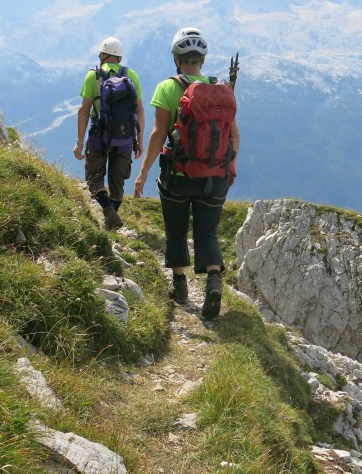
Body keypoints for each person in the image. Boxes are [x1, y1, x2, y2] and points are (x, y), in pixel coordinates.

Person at [133, 28, 240, 319]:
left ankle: (180, 286)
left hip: (178, 176)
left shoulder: (168, 88)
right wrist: (227, 169)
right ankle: (214, 279)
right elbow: (234, 137)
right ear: (202, 61)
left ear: (177, 58)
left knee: (176, 229)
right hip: (215, 178)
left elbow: (158, 134)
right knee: (207, 232)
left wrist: (143, 172)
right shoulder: (221, 91)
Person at [75, 37, 145, 230]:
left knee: (94, 178)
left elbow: (84, 111)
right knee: (118, 182)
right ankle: (111, 221)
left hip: (99, 136)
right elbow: (139, 110)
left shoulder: (93, 76)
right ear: (119, 57)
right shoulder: (131, 76)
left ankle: (108, 212)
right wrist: (139, 140)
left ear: (103, 55)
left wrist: (80, 142)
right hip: (124, 138)